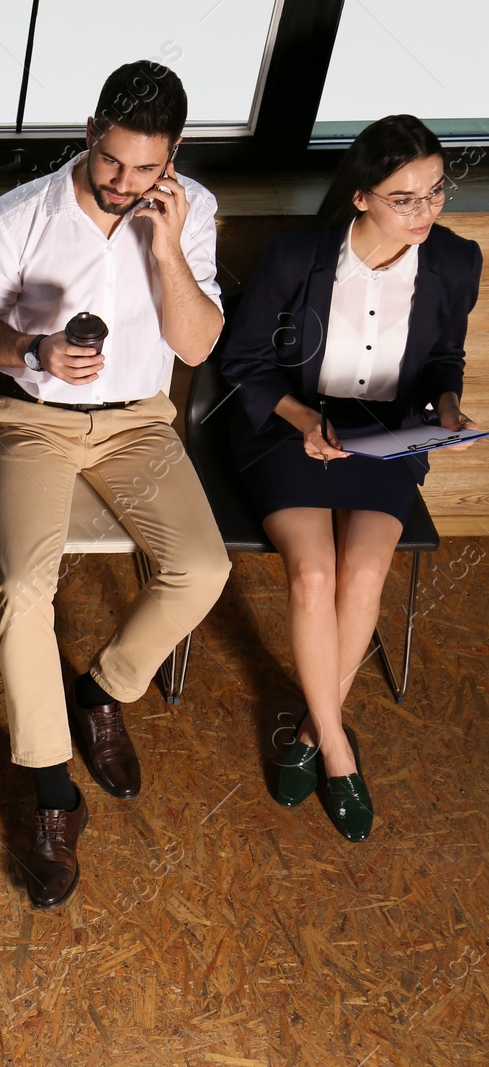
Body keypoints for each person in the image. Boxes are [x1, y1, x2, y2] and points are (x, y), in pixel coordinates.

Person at [0, 62, 231, 908]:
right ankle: (53, 795)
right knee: (23, 588)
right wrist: (34, 350)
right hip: (30, 417)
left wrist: (163, 245)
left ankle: (103, 689)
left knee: (205, 568)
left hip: (140, 420)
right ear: (88, 133)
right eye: (113, 162)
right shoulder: (16, 217)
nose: (125, 184)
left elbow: (195, 346)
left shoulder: (188, 214)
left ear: (173, 156)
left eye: (146, 169)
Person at [220, 115, 480, 842]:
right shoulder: (296, 257)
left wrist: (450, 408)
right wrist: (304, 419)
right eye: (406, 199)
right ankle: (335, 749)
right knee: (312, 574)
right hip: (288, 428)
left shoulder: (456, 262)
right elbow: (243, 362)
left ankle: (309, 729)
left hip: (385, 432)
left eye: (434, 194)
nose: (425, 212)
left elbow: (444, 360)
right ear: (362, 197)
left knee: (364, 571)